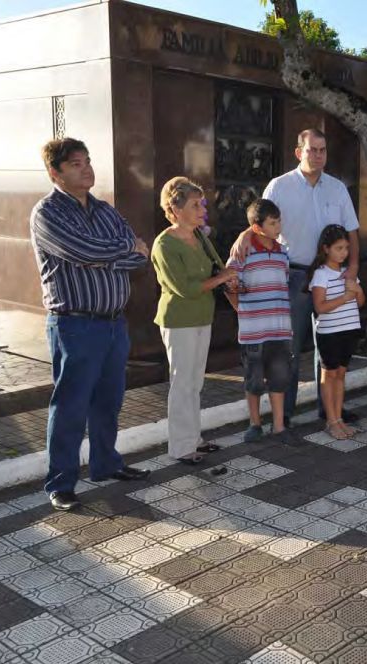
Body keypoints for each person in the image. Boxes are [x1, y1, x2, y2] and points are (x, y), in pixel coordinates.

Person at [30, 137, 152, 512]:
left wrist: (108, 256)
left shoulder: (105, 210)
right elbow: (83, 251)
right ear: (56, 172)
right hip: (75, 326)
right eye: (75, 164)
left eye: (87, 160)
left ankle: (105, 464)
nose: (86, 168)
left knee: (109, 401)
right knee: (70, 405)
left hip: (114, 325)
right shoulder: (47, 213)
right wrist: (117, 252)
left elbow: (140, 255)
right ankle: (61, 483)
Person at [263, 128, 360, 426]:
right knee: (290, 349)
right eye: (312, 150)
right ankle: (286, 415)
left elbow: (352, 232)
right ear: (298, 152)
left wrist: (352, 271)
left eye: (323, 150)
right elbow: (261, 232)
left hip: (333, 277)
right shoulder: (279, 187)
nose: (319, 156)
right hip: (293, 278)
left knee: (329, 348)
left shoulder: (337, 188)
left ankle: (329, 410)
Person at [151, 177, 238, 465]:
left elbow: (217, 268)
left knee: (195, 382)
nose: (203, 209)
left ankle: (194, 439)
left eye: (202, 204)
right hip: (179, 320)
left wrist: (229, 278)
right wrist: (222, 278)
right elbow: (184, 289)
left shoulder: (199, 236)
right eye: (195, 205)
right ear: (175, 210)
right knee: (182, 383)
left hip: (202, 316)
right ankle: (180, 447)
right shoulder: (164, 244)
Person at [226, 200, 292, 443]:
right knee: (254, 380)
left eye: (279, 221)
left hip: (280, 330)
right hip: (253, 332)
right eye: (273, 223)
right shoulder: (242, 253)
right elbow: (229, 286)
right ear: (257, 227)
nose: (278, 227)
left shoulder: (283, 252)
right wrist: (243, 311)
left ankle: (278, 427)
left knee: (279, 378)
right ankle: (255, 424)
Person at [308, 224, 365, 440]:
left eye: (346, 248)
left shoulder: (348, 273)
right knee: (329, 375)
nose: (344, 253)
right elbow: (319, 307)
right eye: (339, 248)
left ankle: (339, 418)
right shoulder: (321, 275)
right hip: (329, 333)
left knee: (341, 374)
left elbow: (360, 302)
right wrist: (344, 297)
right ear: (326, 249)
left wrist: (357, 290)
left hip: (349, 331)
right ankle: (330, 420)